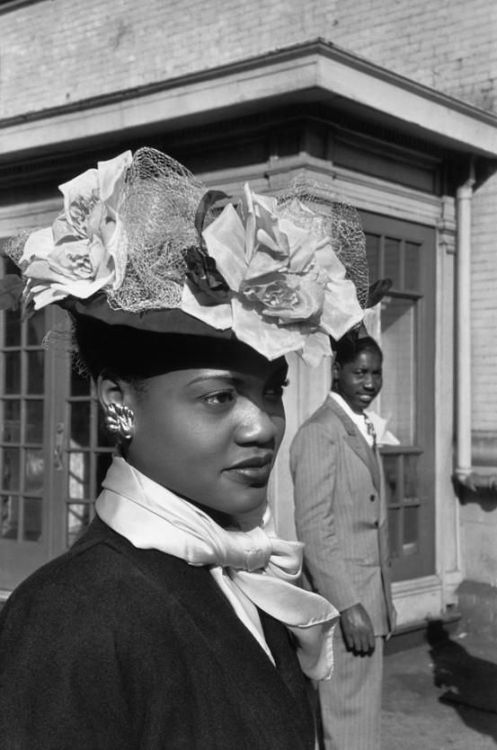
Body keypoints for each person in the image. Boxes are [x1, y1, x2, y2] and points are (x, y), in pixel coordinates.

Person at [0, 148, 368, 749]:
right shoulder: (70, 617)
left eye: (271, 391)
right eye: (219, 398)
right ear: (119, 401)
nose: (263, 426)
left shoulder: (247, 571)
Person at [290, 334, 396, 750]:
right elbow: (315, 527)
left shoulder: (357, 427)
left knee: (358, 718)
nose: (369, 383)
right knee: (346, 721)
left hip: (369, 601)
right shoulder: (321, 432)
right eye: (359, 373)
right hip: (346, 606)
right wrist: (350, 606)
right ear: (336, 372)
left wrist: (382, 601)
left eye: (376, 373)